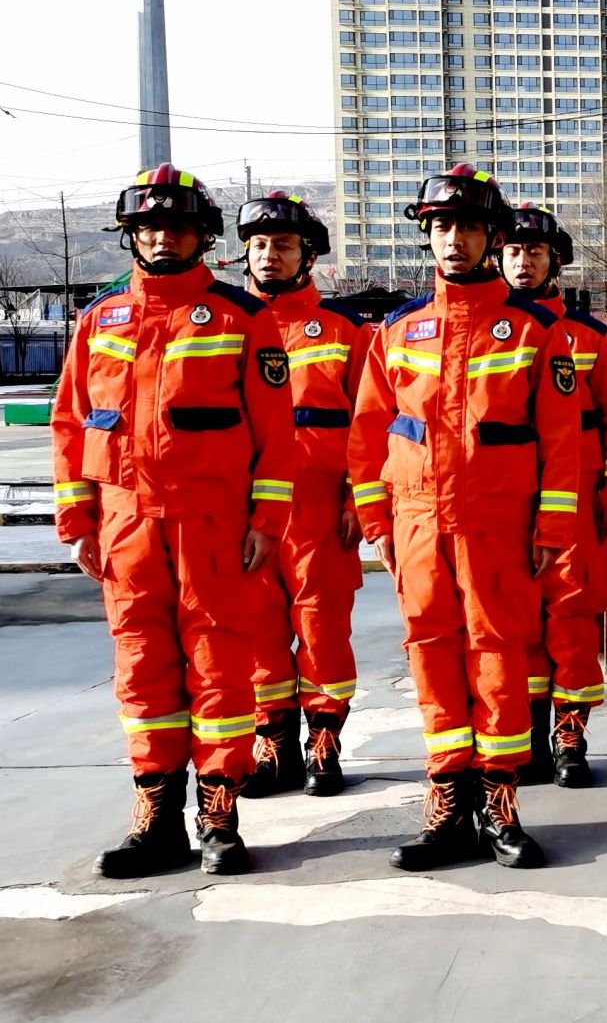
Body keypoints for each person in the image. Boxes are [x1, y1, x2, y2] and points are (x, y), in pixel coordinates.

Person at [52, 165, 295, 876]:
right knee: (141, 669)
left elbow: (275, 433)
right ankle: (156, 820)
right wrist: (78, 519)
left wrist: (266, 520)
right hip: (124, 525)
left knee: (220, 667)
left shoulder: (242, 317)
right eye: (150, 227)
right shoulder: (100, 319)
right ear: (132, 235)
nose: (163, 238)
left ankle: (219, 816)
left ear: (203, 237)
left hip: (212, 524)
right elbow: (71, 423)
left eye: (178, 227)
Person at [349, 164, 583, 870]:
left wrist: (551, 530)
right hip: (418, 524)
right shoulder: (398, 332)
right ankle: (448, 804)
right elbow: (368, 434)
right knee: (431, 653)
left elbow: (562, 444)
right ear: (428, 236)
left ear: (492, 237)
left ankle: (500, 803)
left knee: (498, 655)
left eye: (469, 228)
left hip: (499, 524)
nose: (454, 240)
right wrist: (378, 523)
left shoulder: (535, 331)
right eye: (442, 227)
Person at [499, 203, 607, 789]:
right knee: (516, 622)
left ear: (556, 261)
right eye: (512, 251)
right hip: (507, 501)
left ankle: (570, 737)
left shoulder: (593, 338)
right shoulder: (493, 334)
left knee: (572, 619)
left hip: (577, 503)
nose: (522, 262)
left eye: (534, 252)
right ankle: (528, 735)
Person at [237, 193, 368, 799]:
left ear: (307, 255)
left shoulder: (344, 330)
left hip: (319, 505)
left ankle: (323, 742)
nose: (270, 255)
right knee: (257, 629)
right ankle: (274, 745)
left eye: (283, 245)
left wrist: (358, 498)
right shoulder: (227, 323)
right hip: (244, 509)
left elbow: (371, 424)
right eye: (260, 245)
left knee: (321, 628)